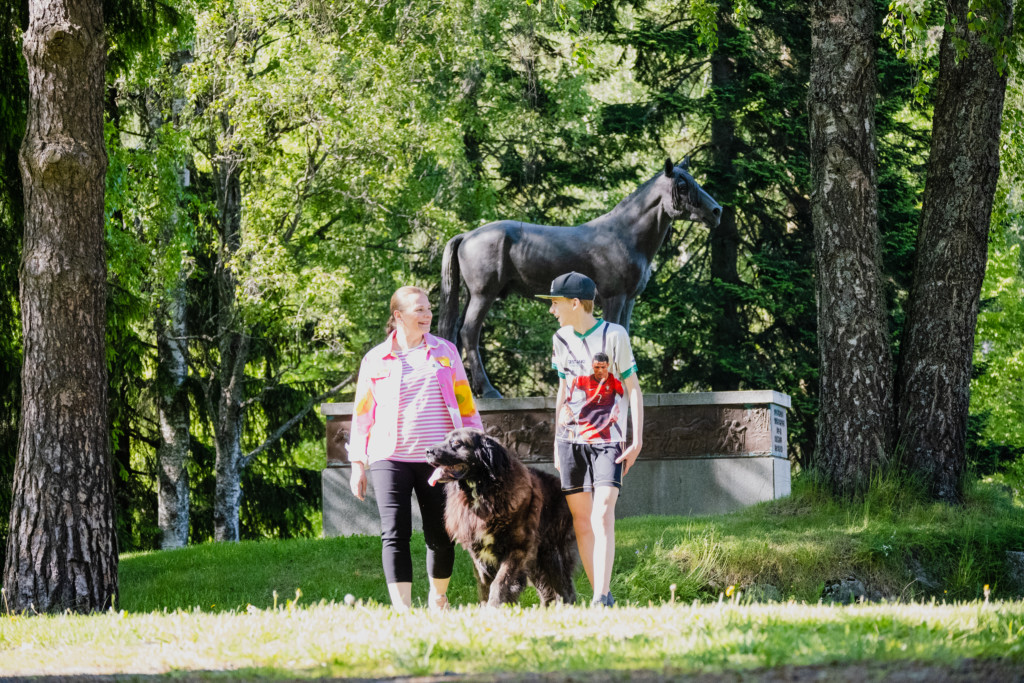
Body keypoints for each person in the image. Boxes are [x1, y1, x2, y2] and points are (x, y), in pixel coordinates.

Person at [347, 285, 483, 611]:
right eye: (419, 310)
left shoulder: (445, 352)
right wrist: (357, 464)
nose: (427, 315)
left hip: (439, 461)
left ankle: (438, 598)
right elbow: (363, 414)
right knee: (395, 533)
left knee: (440, 534)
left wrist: (476, 447)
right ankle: (403, 610)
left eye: (428, 308)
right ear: (398, 316)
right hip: (388, 457)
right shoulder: (376, 359)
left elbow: (466, 404)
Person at [537, 272, 643, 607]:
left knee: (601, 514)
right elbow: (564, 389)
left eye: (555, 303)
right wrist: (556, 439)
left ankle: (600, 595)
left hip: (608, 440)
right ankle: (603, 598)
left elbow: (633, 388)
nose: (552, 310)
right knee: (582, 521)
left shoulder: (615, 335)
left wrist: (636, 438)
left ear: (574, 302)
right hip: (570, 440)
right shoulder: (560, 338)